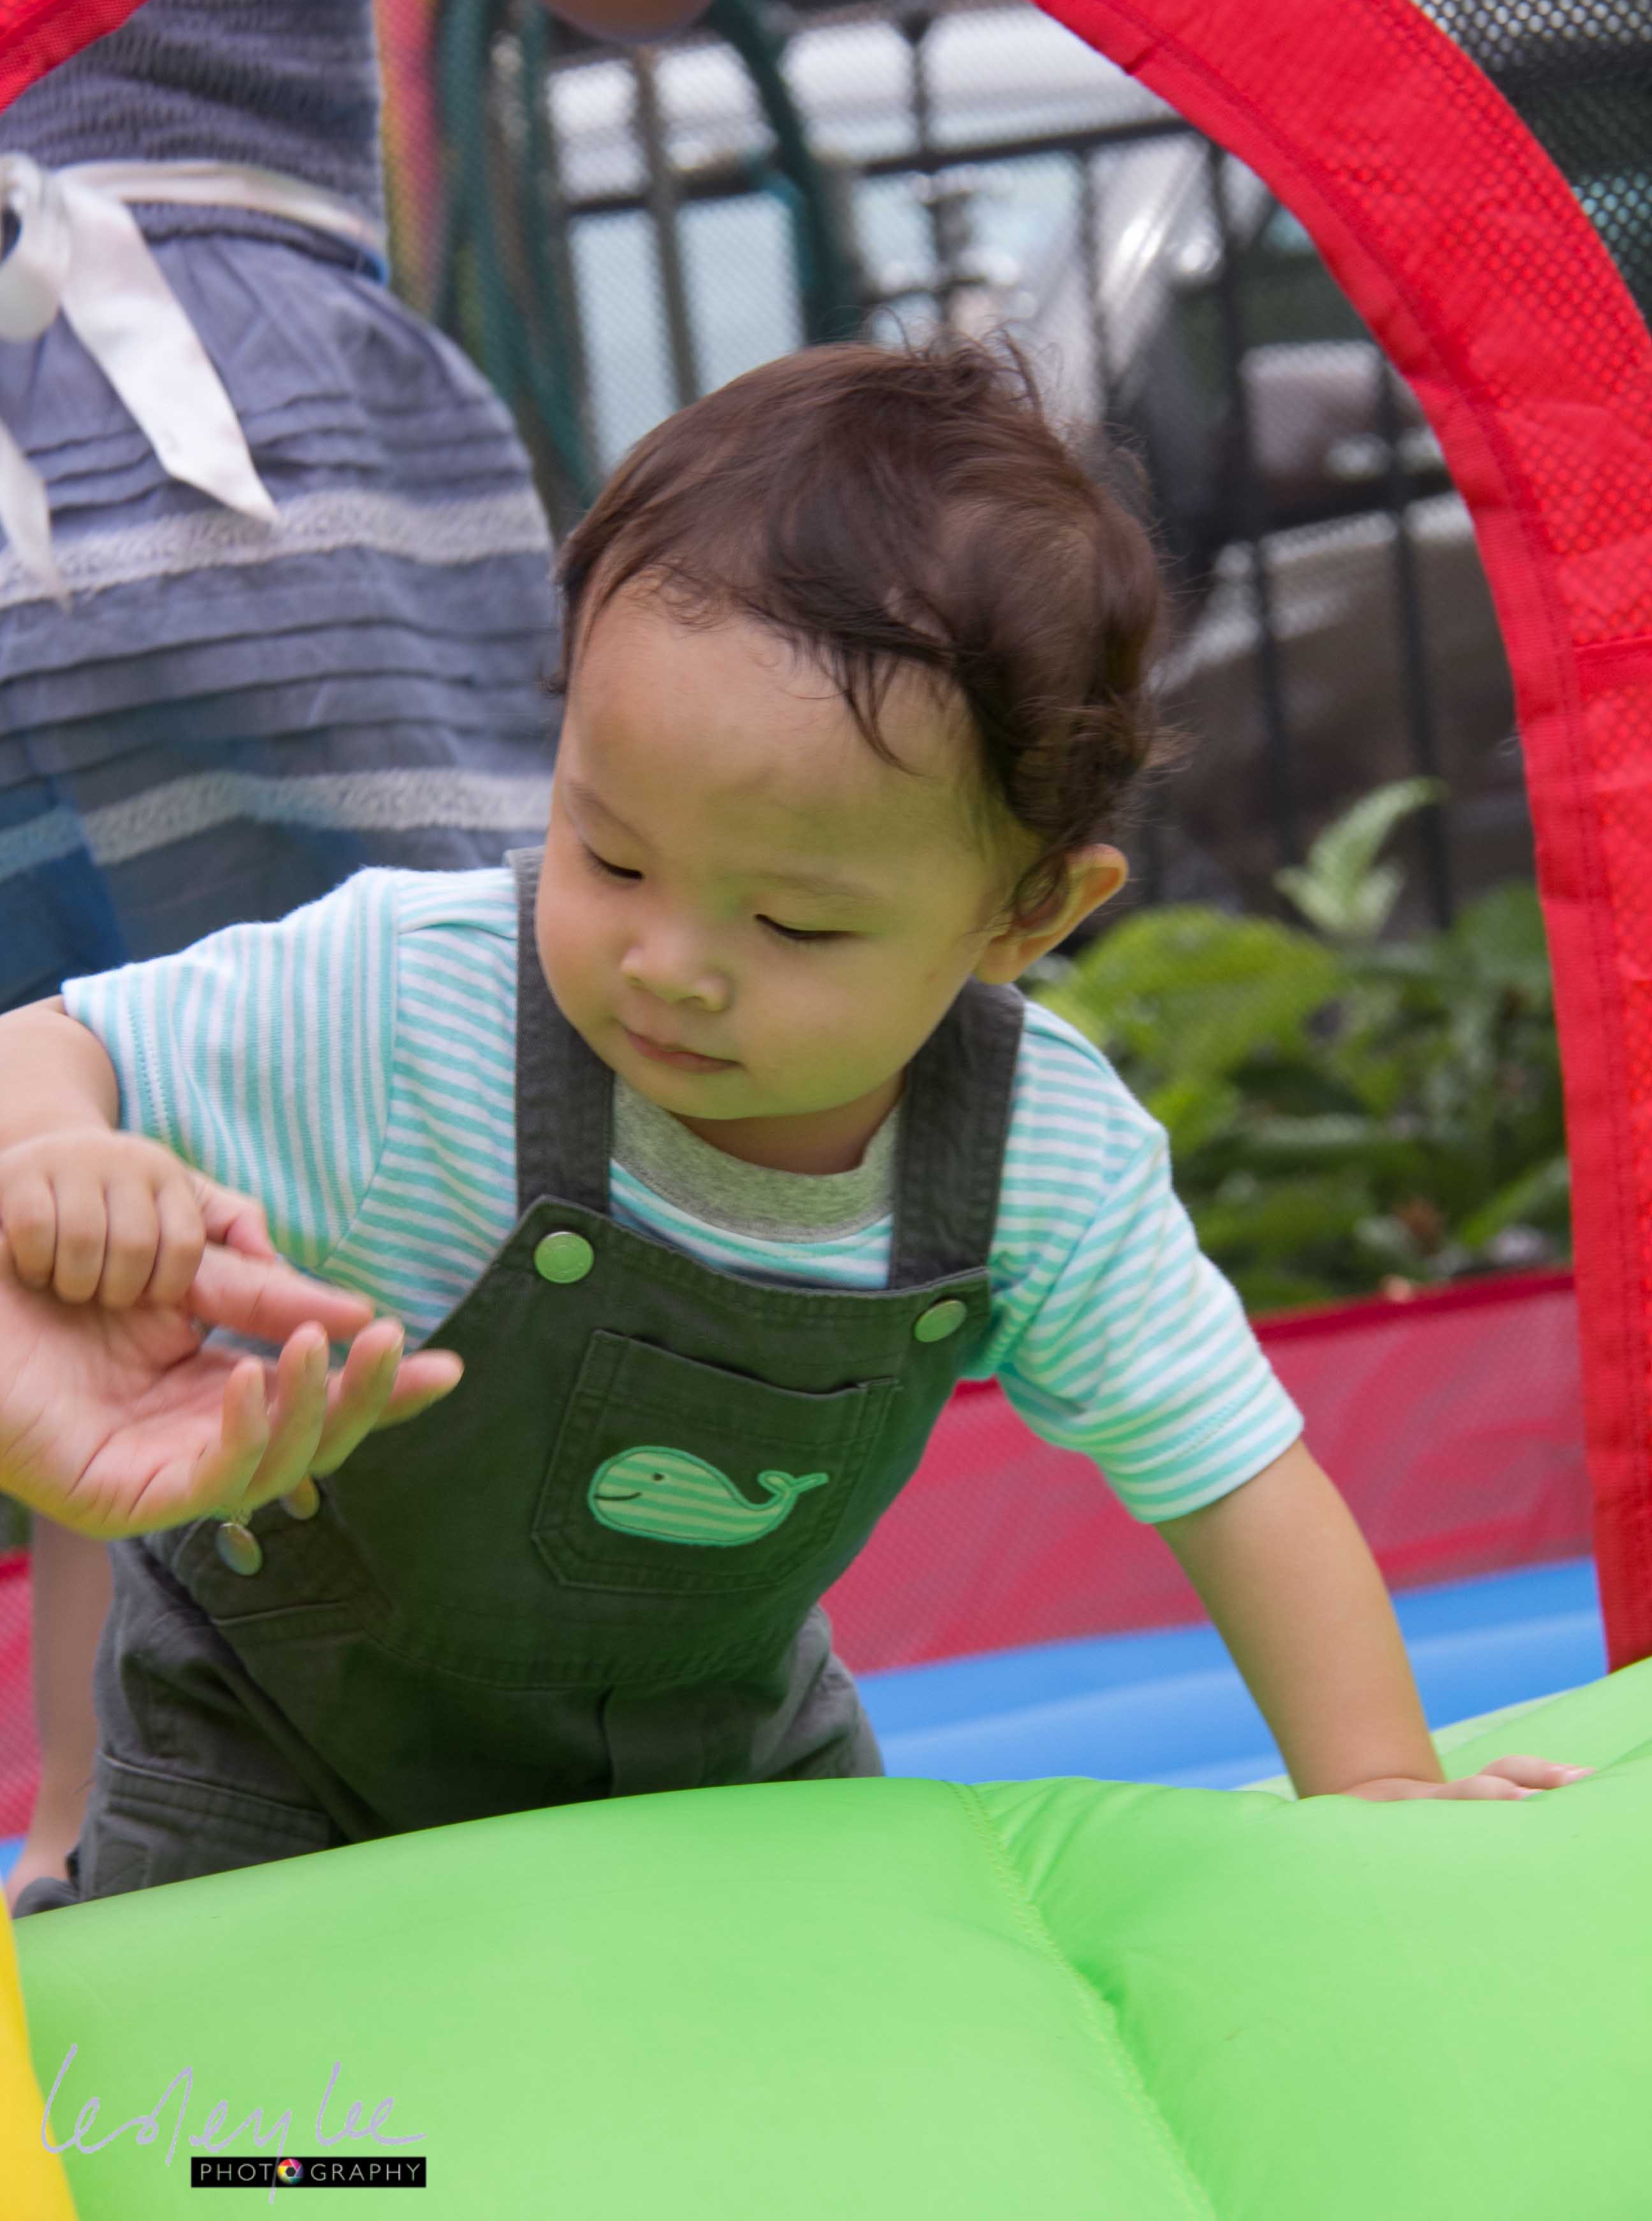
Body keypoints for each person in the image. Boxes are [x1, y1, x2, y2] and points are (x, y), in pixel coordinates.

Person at [0, 339, 1590, 1918]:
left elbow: (1234, 1476)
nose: (670, 965)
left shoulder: (1032, 1152)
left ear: (1028, 914)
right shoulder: (413, 1000)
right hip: (277, 1767)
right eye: (611, 854)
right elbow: (52, 1047)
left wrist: (1378, 1789)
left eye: (795, 924)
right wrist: (58, 1154)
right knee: (246, 2089)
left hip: (723, 1771)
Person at [0, 0, 750, 1902]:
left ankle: (94, 1829)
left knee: (89, 1196)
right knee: (441, 1098)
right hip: (233, 466)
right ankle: (550, 1741)